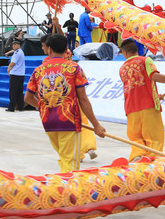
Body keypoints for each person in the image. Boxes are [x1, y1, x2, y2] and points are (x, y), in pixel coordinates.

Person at [24, 34, 106, 172]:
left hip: (48, 121)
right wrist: (96, 125)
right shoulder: (74, 68)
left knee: (64, 158)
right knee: (70, 163)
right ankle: (68, 191)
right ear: (66, 49)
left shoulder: (38, 71)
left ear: (49, 50)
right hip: (68, 121)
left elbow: (27, 98)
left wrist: (44, 107)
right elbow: (83, 99)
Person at [118, 38, 165, 162]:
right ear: (136, 50)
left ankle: (137, 155)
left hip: (130, 109)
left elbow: (135, 88)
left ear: (124, 53)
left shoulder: (122, 68)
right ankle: (151, 163)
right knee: (154, 139)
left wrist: (156, 95)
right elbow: (154, 77)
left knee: (135, 138)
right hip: (148, 107)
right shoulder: (145, 60)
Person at [6, 40, 25, 112]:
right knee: (19, 91)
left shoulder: (17, 53)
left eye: (15, 44)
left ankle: (11, 107)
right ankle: (20, 106)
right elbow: (12, 51)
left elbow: (12, 63)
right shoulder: (20, 52)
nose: (13, 46)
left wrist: (8, 69)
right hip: (21, 74)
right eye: (13, 44)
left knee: (13, 91)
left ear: (19, 45)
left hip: (15, 74)